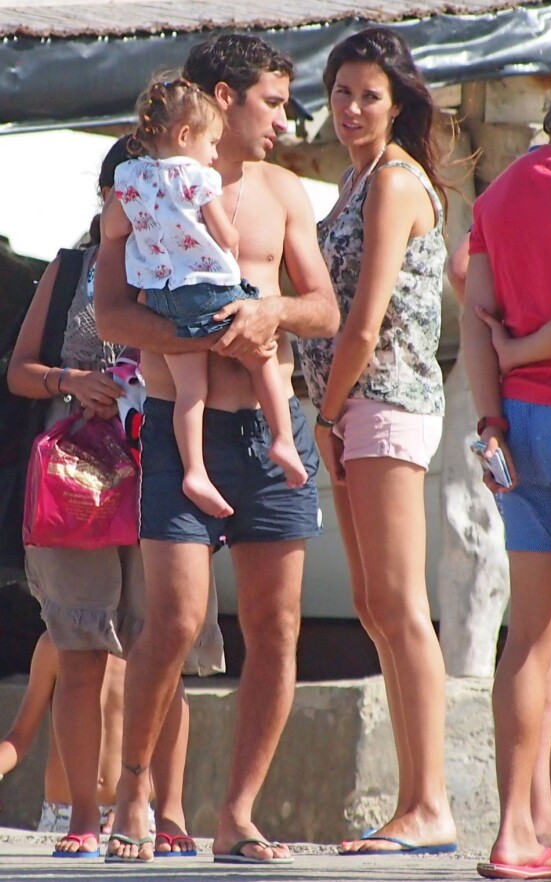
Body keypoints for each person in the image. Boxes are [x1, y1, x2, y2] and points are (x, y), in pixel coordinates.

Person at [94, 34, 339, 864]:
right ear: (224, 100)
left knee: (276, 628)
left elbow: (325, 310)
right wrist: (200, 334)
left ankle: (237, 816)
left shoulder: (282, 191)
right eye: (273, 102)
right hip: (181, 427)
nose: (285, 121)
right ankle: (134, 789)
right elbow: (111, 314)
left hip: (270, 434)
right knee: (175, 619)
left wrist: (270, 313)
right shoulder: (139, 182)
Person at [6, 138, 196, 859]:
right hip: (75, 479)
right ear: (112, 192)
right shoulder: (71, 267)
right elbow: (20, 370)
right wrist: (70, 381)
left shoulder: (184, 265)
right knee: (80, 650)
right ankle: (84, 815)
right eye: (134, 185)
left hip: (159, 467)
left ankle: (167, 811)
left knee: (165, 645)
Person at [298, 27, 456, 855]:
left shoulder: (393, 182)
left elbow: (364, 324)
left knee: (400, 606)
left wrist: (325, 416)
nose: (352, 108)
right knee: (374, 608)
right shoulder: (353, 181)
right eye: (342, 92)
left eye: (369, 95)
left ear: (397, 104)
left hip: (384, 400)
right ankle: (413, 801)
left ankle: (431, 805)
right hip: (353, 406)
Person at [461, 39, 551, 880]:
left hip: (519, 430)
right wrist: (534, 346)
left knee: (530, 638)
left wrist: (492, 420)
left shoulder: (501, 191)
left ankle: (513, 834)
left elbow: (477, 324)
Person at [103, 74, 307, 519]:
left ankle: (194, 471)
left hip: (162, 295)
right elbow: (225, 234)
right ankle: (283, 439)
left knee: (189, 390)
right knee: (262, 359)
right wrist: (229, 242)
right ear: (184, 136)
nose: (214, 153)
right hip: (208, 287)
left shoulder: (131, 176)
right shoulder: (196, 176)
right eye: (211, 142)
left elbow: (113, 229)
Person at [0, 631, 156, 836]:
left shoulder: (147, 644)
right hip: (64, 814)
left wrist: (134, 801)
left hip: (130, 811)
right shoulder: (55, 644)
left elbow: (162, 750)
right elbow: (19, 737)